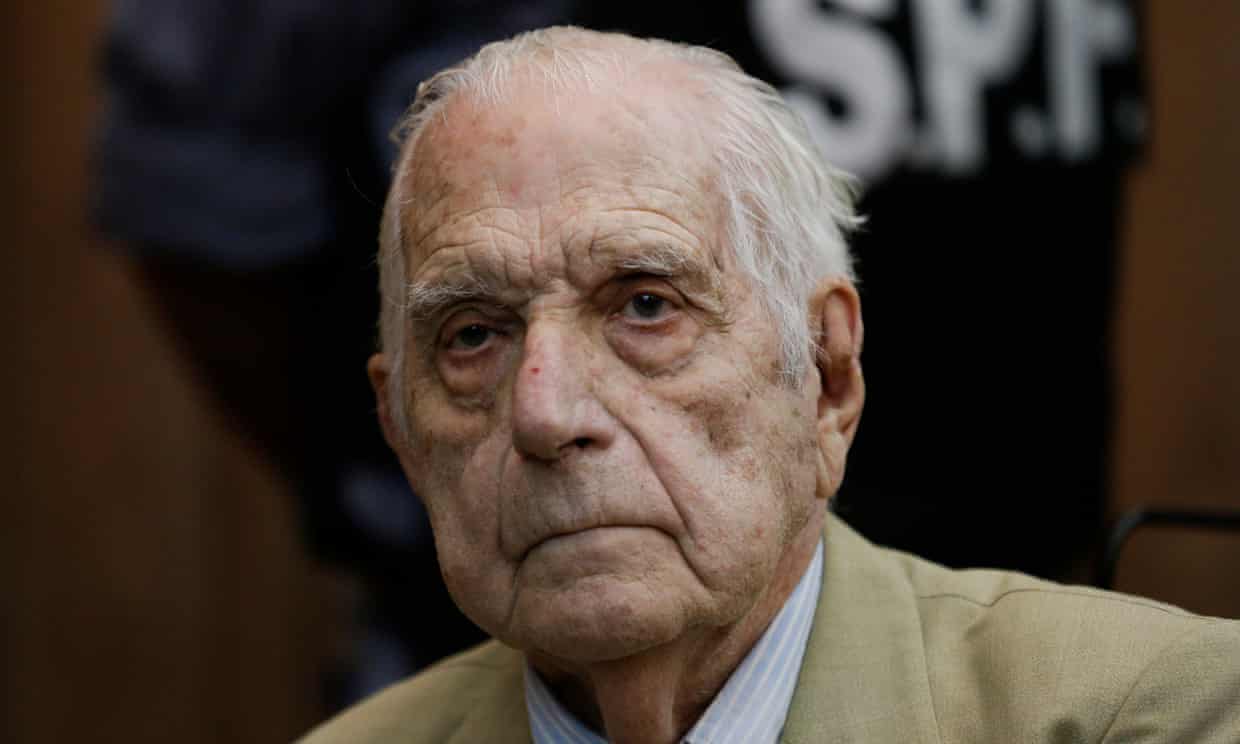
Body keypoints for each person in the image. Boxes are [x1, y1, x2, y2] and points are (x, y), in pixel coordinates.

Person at [298, 26, 1239, 744]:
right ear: (402, 434)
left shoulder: (1145, 714)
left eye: (646, 306)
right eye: (472, 336)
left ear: (827, 378)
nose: (545, 412)